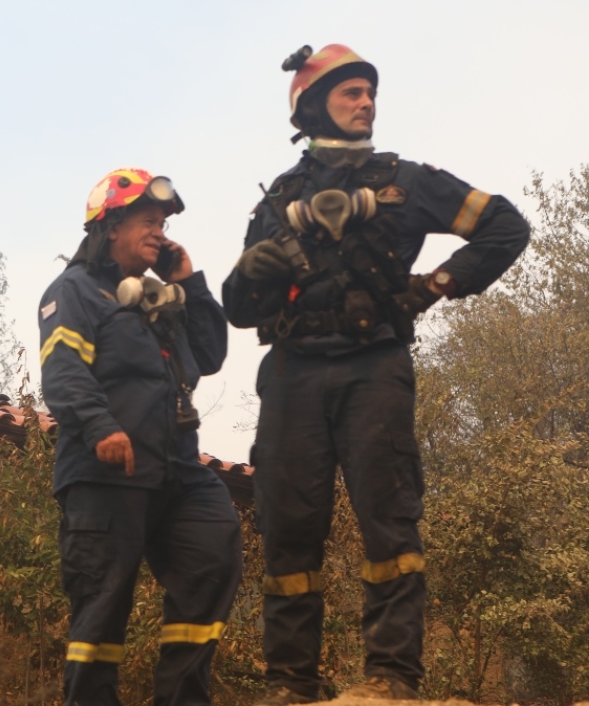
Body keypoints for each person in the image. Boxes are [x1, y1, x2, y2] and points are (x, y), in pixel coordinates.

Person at [221, 45, 530, 704]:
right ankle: (290, 682)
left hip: (374, 365)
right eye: (351, 92)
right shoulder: (279, 199)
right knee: (287, 527)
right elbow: (238, 310)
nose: (366, 103)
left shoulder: (405, 182)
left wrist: (438, 283)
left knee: (389, 516)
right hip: (293, 372)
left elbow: (505, 226)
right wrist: (251, 270)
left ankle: (391, 675)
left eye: (370, 93)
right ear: (312, 107)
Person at [40, 168, 242, 706]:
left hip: (177, 469)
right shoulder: (75, 291)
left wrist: (190, 283)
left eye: (162, 224)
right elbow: (63, 371)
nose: (158, 232)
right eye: (147, 221)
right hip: (106, 474)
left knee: (214, 552)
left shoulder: (159, 300)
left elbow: (210, 355)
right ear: (111, 228)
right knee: (102, 610)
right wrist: (101, 426)